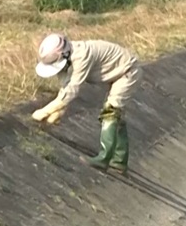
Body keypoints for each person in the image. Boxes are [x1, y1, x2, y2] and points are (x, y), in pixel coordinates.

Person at [31, 33, 140, 174]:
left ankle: (103, 159)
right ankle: (119, 162)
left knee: (110, 112)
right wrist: (58, 111)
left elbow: (72, 89)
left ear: (63, 55)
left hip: (127, 72)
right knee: (116, 117)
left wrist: (45, 111)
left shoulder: (82, 56)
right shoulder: (68, 57)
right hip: (116, 72)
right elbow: (65, 87)